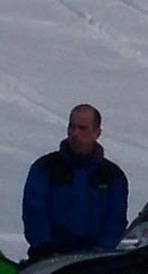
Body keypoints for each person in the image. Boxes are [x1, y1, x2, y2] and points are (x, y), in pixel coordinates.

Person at [22, 103, 128, 258]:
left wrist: (101, 251)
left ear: (97, 133)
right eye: (72, 127)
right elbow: (34, 212)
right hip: (48, 258)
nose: (75, 133)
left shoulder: (113, 176)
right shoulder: (45, 168)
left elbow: (116, 220)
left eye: (82, 128)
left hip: (96, 261)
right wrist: (45, 247)